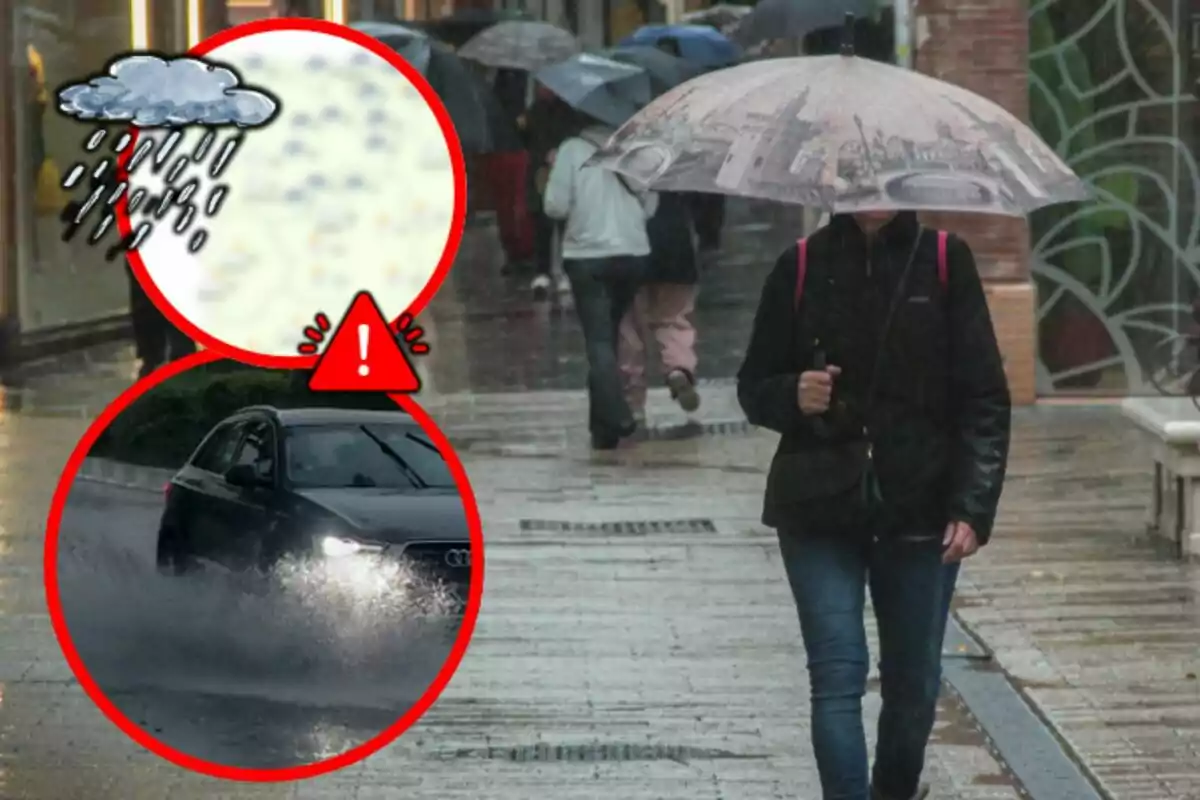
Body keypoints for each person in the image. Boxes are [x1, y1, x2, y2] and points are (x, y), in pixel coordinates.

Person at [736, 209, 1011, 800]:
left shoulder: (943, 261)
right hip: (817, 506)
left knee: (912, 687)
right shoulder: (802, 264)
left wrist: (973, 505)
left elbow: (984, 396)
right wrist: (794, 394)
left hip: (919, 505)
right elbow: (753, 385)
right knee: (836, 673)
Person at [543, 114, 658, 450]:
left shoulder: (572, 150)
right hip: (633, 253)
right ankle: (602, 428)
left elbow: (554, 206)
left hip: (586, 256)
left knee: (599, 341)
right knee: (609, 336)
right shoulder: (635, 148)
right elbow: (650, 205)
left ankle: (618, 413)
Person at [617, 190, 701, 421]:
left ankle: (633, 397)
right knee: (674, 318)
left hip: (629, 245)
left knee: (629, 326)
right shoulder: (674, 162)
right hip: (676, 244)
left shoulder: (618, 162)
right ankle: (678, 367)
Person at [522, 87, 573, 300]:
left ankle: (564, 271)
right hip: (540, 171)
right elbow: (527, 139)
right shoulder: (534, 111)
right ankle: (542, 270)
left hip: (561, 169)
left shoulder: (568, 112)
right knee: (541, 221)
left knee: (564, 222)